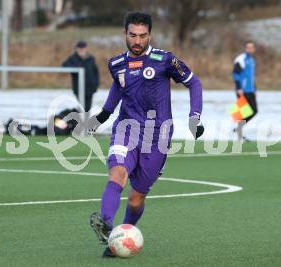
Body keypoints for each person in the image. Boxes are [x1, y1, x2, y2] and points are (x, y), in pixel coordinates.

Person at [86, 12, 204, 258]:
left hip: (158, 136)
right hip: (126, 129)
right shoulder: (116, 63)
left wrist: (195, 118)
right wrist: (102, 117)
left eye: (142, 36)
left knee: (136, 198)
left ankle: (123, 235)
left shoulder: (165, 60)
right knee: (117, 173)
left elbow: (194, 83)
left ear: (149, 35)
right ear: (125, 34)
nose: (137, 41)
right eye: (133, 36)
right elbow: (118, 89)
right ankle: (107, 226)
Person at [62, 41, 99, 112]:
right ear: (76, 49)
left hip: (90, 88)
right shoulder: (73, 58)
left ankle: (85, 122)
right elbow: (64, 65)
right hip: (78, 88)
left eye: (83, 48)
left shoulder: (91, 58)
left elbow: (96, 73)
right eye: (80, 48)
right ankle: (71, 117)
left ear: (86, 48)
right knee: (81, 107)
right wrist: (76, 68)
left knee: (88, 108)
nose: (81, 50)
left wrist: (96, 85)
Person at [232, 40, 258, 141]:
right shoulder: (241, 58)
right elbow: (235, 74)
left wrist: (254, 88)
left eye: (252, 47)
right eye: (248, 47)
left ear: (253, 49)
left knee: (254, 110)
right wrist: (238, 87)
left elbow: (251, 76)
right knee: (243, 112)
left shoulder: (252, 60)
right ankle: (238, 133)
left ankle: (238, 130)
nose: (250, 49)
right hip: (242, 90)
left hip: (250, 90)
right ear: (245, 48)